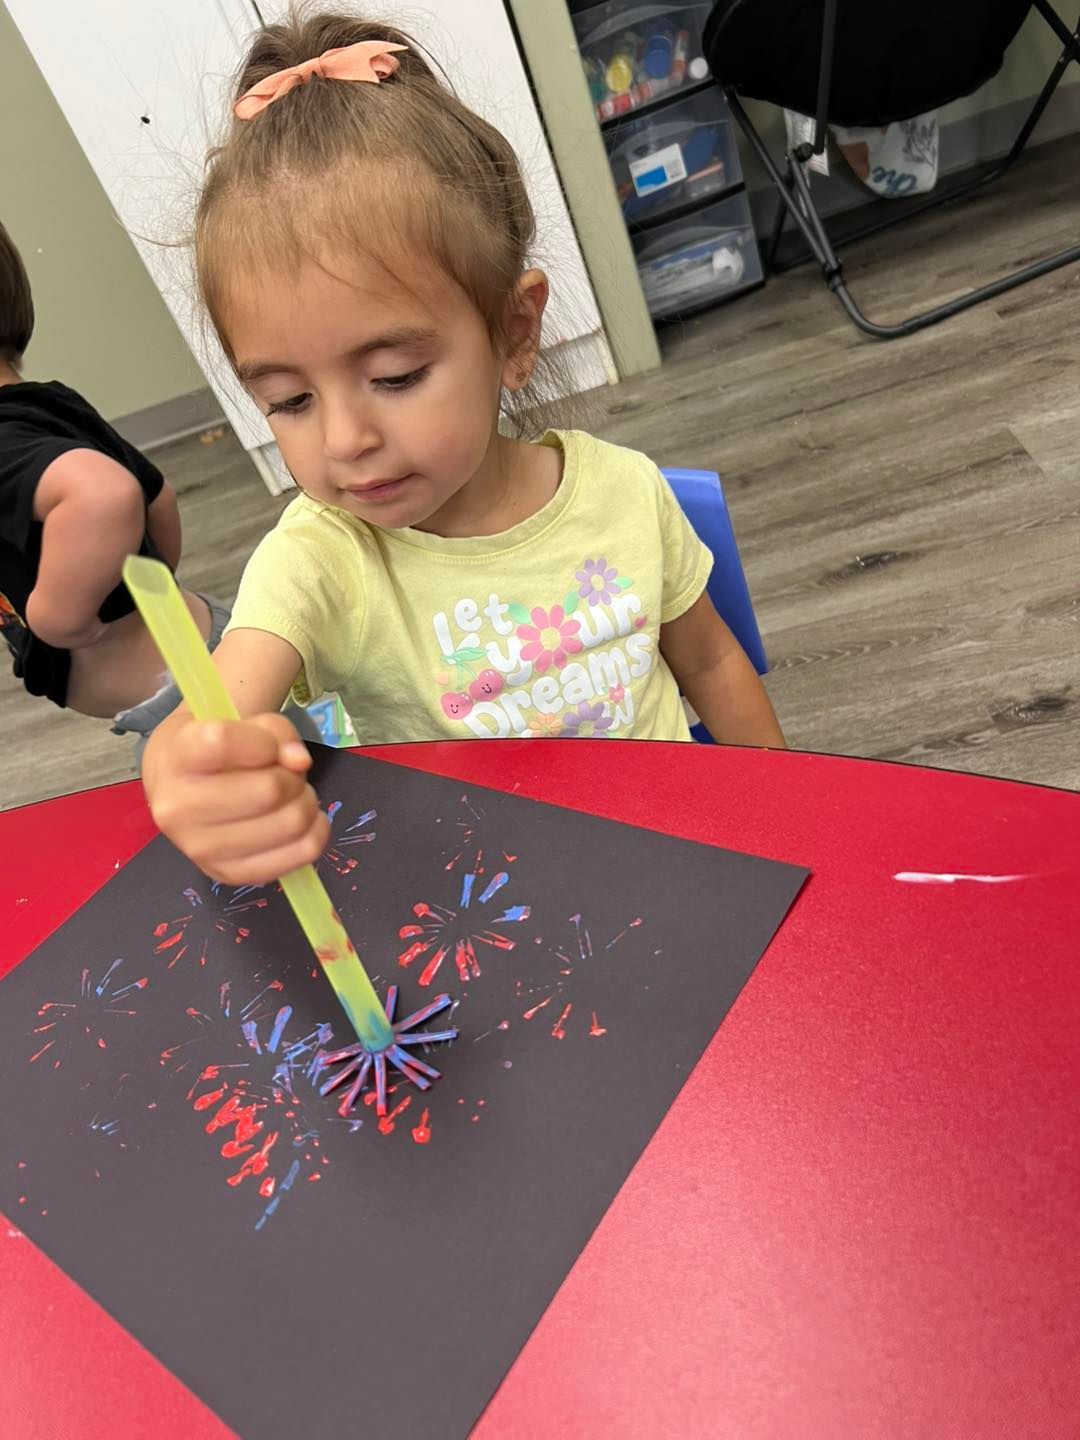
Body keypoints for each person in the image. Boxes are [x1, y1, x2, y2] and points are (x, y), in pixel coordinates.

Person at [143, 11, 785, 887]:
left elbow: (710, 660)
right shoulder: (323, 556)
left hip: (678, 869)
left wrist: (791, 825)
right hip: (482, 912)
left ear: (514, 331)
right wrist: (185, 769)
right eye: (287, 401)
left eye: (397, 375)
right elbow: (213, 713)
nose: (344, 440)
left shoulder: (625, 494)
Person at [0, 220, 226, 735]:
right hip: (199, 655)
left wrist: (60, 618)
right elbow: (157, 497)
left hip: (187, 706)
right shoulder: (48, 403)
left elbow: (104, 494)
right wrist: (149, 581)